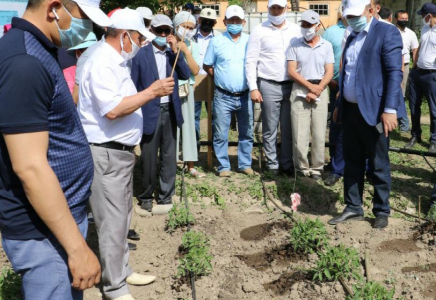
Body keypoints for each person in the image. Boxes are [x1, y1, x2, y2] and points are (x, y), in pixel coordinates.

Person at [0, 0, 112, 298]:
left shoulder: (41, 50)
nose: (90, 28)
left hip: (58, 220)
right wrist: (77, 248)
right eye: (83, 18)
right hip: (43, 233)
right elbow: (31, 167)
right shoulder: (25, 62)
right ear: (55, 8)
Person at [78, 9, 175, 300]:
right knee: (110, 221)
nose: (140, 44)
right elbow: (113, 109)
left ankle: (122, 270)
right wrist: (152, 91)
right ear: (123, 37)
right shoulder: (101, 63)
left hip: (118, 153)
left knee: (121, 217)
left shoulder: (115, 60)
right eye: (137, 38)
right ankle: (115, 287)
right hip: (105, 153)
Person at [328, 0, 404, 229]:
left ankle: (381, 210)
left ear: (371, 10)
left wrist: (389, 110)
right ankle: (353, 207)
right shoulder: (351, 35)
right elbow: (347, 72)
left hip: (376, 111)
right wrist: (340, 104)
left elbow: (394, 73)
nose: (351, 20)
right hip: (351, 110)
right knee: (352, 161)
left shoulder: (387, 32)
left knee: (379, 163)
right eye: (348, 16)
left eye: (355, 15)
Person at [131, 15, 191, 214]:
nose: (163, 35)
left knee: (168, 155)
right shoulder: (141, 55)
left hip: (170, 111)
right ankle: (146, 196)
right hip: (149, 111)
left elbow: (185, 74)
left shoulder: (171, 54)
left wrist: (176, 51)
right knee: (148, 156)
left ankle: (166, 196)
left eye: (167, 31)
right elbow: (134, 85)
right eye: (159, 31)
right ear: (152, 32)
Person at [245, 0, 300, 176]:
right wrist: (253, 87)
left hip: (291, 84)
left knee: (289, 127)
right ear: (268, 8)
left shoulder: (295, 30)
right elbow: (251, 60)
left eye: (280, 8)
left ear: (287, 8)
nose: (276, 11)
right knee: (270, 127)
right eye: (273, 8)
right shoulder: (259, 30)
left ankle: (286, 163)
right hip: (268, 83)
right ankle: (272, 164)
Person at [203, 5, 254, 177]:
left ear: (243, 22)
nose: (234, 23)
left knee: (246, 132)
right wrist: (218, 78)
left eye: (237, 20)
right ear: (224, 22)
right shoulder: (216, 41)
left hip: (245, 95)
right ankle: (223, 166)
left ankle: (245, 164)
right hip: (223, 95)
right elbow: (207, 64)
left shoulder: (250, 40)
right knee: (220, 133)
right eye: (231, 20)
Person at [287, 10, 334, 181]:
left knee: (319, 131)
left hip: (320, 90)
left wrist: (318, 89)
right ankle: (301, 167)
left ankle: (316, 168)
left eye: (309, 25)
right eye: (303, 24)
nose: (306, 28)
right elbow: (292, 70)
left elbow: (329, 71)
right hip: (300, 89)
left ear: (317, 26)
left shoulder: (326, 46)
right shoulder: (295, 44)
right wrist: (309, 88)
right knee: (299, 132)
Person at [173, 12, 205, 178]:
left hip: (187, 89)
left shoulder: (193, 45)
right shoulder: (168, 41)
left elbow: (195, 70)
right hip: (170, 89)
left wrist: (186, 51)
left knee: (189, 125)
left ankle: (190, 164)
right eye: (185, 26)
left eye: (191, 28)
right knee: (170, 126)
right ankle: (171, 161)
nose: (188, 30)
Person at [406, 3, 436, 152]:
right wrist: (414, 67)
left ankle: (434, 139)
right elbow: (419, 48)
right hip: (417, 73)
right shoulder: (425, 28)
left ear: (429, 16)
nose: (422, 18)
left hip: (432, 75)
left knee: (434, 109)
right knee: (414, 106)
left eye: (423, 15)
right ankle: (415, 134)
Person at [322, 6, 347, 186]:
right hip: (335, 85)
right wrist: (331, 82)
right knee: (337, 124)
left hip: (356, 88)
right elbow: (322, 59)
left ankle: (362, 166)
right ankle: (335, 164)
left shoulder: (365, 30)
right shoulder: (330, 33)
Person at [194, 8, 222, 148]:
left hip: (213, 79)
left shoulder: (219, 38)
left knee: (215, 116)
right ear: (199, 20)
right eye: (204, 21)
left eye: (210, 22)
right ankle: (195, 149)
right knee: (194, 117)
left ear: (215, 23)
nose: (207, 24)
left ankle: (215, 148)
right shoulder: (190, 37)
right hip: (194, 80)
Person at [396, 10, 418, 132]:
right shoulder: (392, 31)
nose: (404, 20)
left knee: (401, 94)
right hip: (391, 65)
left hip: (404, 66)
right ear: (396, 19)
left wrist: (415, 67)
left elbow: (415, 51)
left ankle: (403, 123)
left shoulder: (411, 34)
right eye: (402, 18)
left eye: (406, 18)